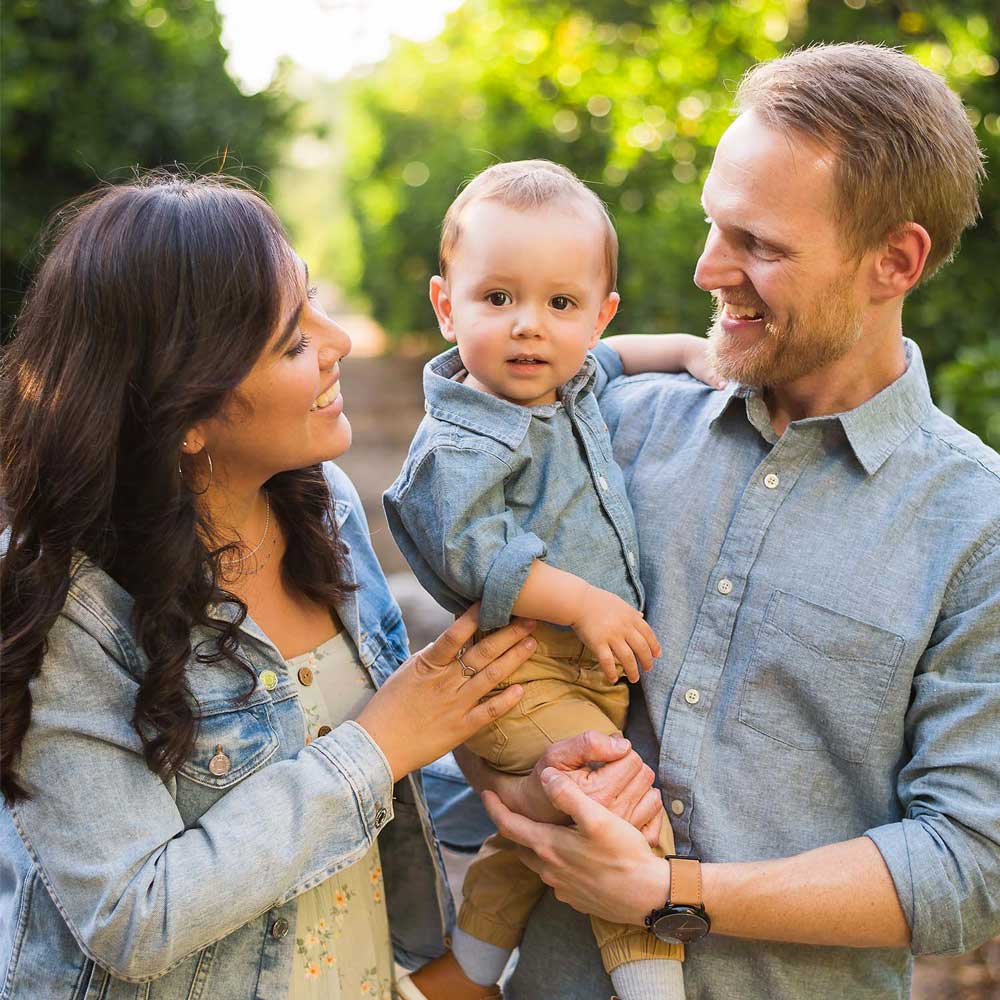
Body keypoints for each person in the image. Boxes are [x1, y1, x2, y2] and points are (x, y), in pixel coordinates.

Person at [465, 43, 1000, 999]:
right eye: (717, 227)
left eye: (760, 244)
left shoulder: (977, 525)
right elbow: (471, 665)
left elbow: (970, 866)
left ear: (896, 260)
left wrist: (673, 894)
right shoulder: (608, 432)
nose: (712, 269)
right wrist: (525, 771)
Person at [0, 173, 559, 999]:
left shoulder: (321, 505)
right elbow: (131, 914)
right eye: (293, 342)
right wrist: (383, 746)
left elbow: (350, 754)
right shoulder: (67, 602)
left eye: (315, 305)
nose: (336, 341)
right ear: (185, 415)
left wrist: (528, 782)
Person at [383, 160, 721, 1000]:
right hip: (524, 665)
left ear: (597, 311)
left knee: (527, 844)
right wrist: (583, 601)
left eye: (560, 304)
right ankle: (653, 983)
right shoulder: (459, 440)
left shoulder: (572, 377)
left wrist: (684, 350)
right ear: (445, 303)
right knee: (602, 813)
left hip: (583, 674)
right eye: (497, 299)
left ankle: (466, 969)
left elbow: (617, 356)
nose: (530, 327)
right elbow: (473, 551)